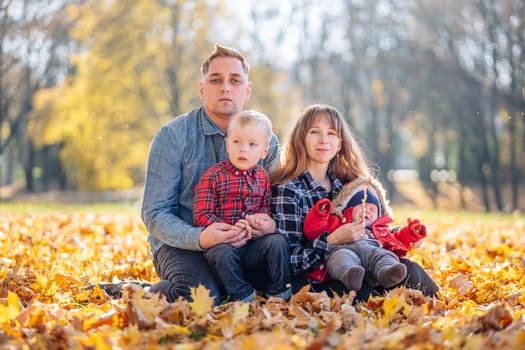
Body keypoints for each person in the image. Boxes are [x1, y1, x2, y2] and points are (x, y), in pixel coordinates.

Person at [140, 44, 282, 305]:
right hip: (181, 244)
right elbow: (154, 213)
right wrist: (200, 238)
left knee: (280, 271)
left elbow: (277, 202)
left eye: (235, 80)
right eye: (216, 80)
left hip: (244, 243)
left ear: (247, 90)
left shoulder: (267, 140)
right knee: (204, 300)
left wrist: (268, 224)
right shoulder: (173, 136)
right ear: (202, 89)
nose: (226, 87)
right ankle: (144, 292)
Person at [270, 104, 439, 301]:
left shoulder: (348, 185)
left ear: (340, 143)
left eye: (331, 133)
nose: (324, 139)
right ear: (301, 140)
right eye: (315, 132)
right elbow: (289, 261)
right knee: (363, 292)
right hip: (318, 278)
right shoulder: (289, 190)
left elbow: (371, 233)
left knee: (411, 271)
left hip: (363, 263)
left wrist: (407, 235)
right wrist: (332, 240)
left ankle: (443, 311)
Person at [193, 110, 291, 302]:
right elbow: (202, 213)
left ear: (264, 151)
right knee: (220, 253)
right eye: (237, 142)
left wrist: (260, 222)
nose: (243, 149)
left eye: (252, 144)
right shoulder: (214, 175)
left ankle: (280, 293)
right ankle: (243, 295)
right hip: (224, 243)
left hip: (252, 244)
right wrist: (228, 230)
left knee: (278, 242)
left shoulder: (262, 176)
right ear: (227, 145)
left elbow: (265, 207)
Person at [303, 176, 427, 291]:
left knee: (384, 256)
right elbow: (312, 231)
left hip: (372, 253)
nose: (367, 211)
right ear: (348, 209)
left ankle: (386, 272)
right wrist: (319, 214)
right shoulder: (337, 221)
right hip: (343, 250)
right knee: (339, 259)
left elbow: (396, 240)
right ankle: (350, 274)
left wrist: (410, 233)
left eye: (372, 209)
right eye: (362, 206)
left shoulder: (378, 231)